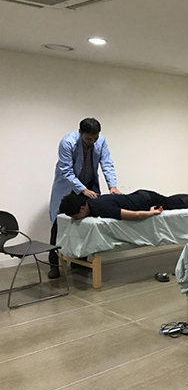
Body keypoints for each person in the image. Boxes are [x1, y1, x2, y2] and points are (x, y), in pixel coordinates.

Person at [48, 118, 121, 278]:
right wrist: (83, 189)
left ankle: (80, 261)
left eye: (95, 138)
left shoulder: (100, 141)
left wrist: (112, 186)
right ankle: (54, 265)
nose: (92, 141)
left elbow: (107, 163)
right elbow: (66, 170)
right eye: (88, 139)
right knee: (58, 224)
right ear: (80, 132)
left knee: (86, 223)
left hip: (89, 184)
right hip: (68, 187)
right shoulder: (67, 142)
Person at [60, 190, 188, 221]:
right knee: (172, 201)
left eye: (75, 216)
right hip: (140, 195)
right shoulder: (90, 202)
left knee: (179, 204)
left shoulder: (101, 208)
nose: (75, 219)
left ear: (83, 207)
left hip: (146, 200)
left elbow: (135, 215)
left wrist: (151, 213)